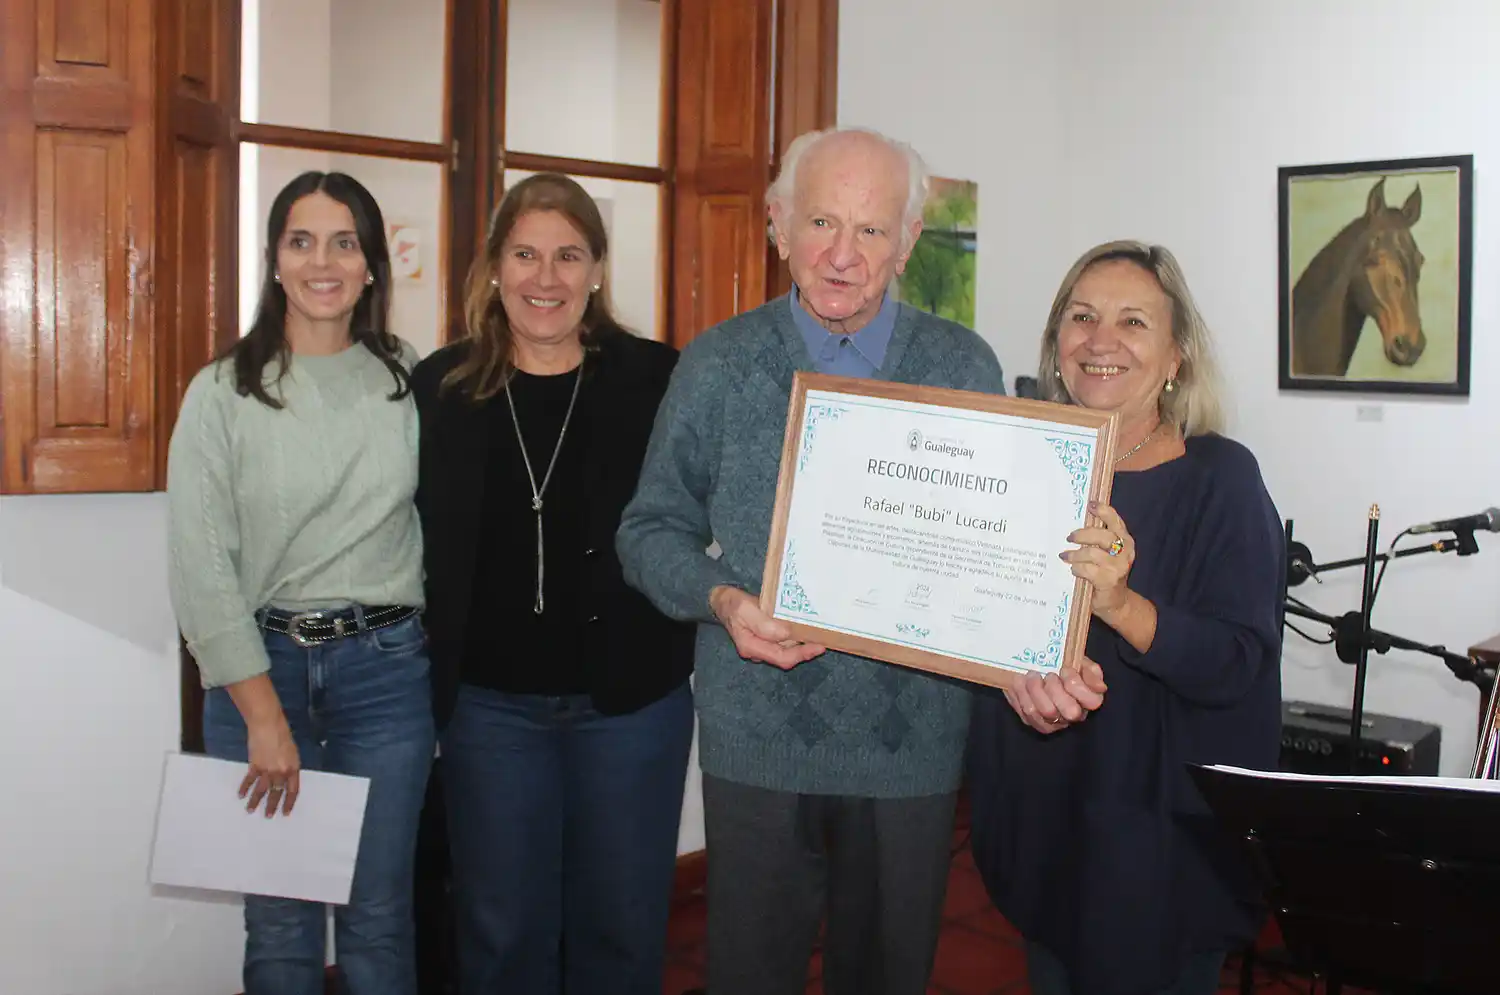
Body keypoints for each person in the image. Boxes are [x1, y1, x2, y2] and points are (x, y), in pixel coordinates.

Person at [616, 126, 1006, 995]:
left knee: (888, 975)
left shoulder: (964, 368)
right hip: (757, 734)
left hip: (913, 742)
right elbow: (648, 531)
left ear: (907, 242)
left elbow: (994, 553)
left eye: (871, 230)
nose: (842, 255)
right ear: (778, 224)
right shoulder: (717, 364)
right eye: (822, 222)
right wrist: (721, 598)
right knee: (750, 973)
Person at [966, 240, 1285, 995]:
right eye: (1082, 317)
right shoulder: (1018, 468)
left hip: (1162, 843)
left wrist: (1120, 603)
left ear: (1177, 355)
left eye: (1133, 322)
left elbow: (1238, 660)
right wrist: (1012, 678)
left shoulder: (1224, 480)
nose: (1101, 340)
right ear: (1056, 344)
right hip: (1046, 818)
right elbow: (982, 621)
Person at [410, 172, 696, 995]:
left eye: (569, 255)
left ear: (599, 270)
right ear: (494, 268)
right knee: (501, 935)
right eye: (525, 254)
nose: (547, 278)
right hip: (490, 709)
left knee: (624, 929)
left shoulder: (656, 380)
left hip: (631, 705)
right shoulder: (442, 388)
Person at [166, 171, 435, 995]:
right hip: (261, 674)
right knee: (280, 926)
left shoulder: (403, 377)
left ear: (372, 267)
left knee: (378, 917)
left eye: (345, 242)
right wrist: (262, 716)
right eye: (302, 240)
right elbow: (200, 567)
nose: (324, 261)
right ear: (275, 261)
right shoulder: (223, 393)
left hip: (386, 677)